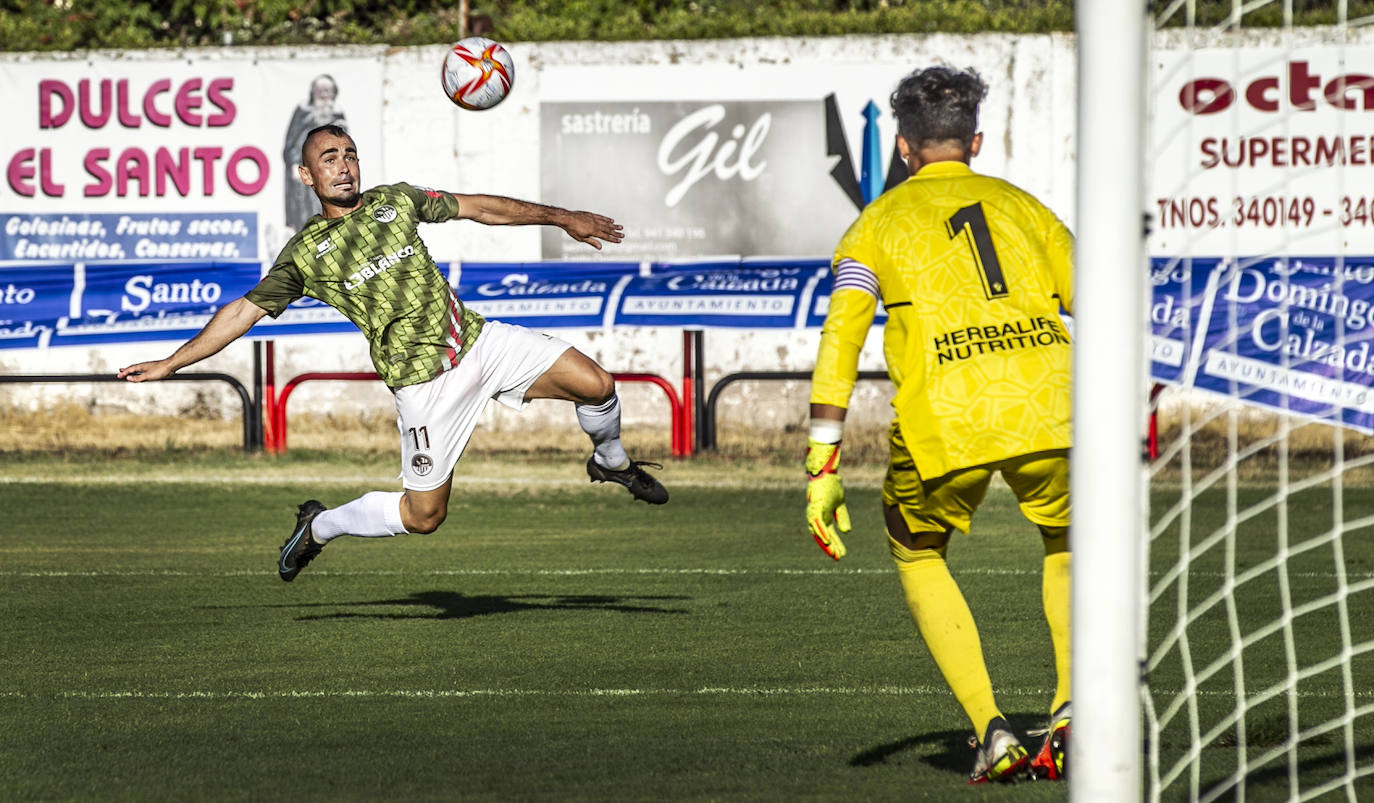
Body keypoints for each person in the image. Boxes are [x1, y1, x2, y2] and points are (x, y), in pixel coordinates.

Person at [119, 123, 668, 583]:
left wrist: (562, 216)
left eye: (350, 155)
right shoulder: (306, 253)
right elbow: (243, 311)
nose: (343, 166)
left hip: (478, 343)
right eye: (328, 158)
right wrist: (171, 362)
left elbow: (478, 207)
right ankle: (319, 527)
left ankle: (610, 462)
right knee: (424, 517)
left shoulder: (395, 201)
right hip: (424, 386)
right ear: (308, 176)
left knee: (596, 384)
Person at [804, 66, 1073, 784]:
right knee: (1068, 538)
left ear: (902, 148)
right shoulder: (1027, 209)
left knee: (917, 551)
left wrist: (821, 462)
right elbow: (1097, 294)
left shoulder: (872, 227)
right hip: (1053, 405)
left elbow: (841, 336)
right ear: (975, 140)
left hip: (945, 420)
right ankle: (1072, 706)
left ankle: (992, 728)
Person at [283, 75, 347, 232]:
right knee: (303, 211)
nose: (324, 95)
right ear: (313, 93)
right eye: (320, 91)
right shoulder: (302, 112)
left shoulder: (337, 115)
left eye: (328, 91)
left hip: (328, 172)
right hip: (304, 169)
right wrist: (294, 164)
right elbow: (292, 141)